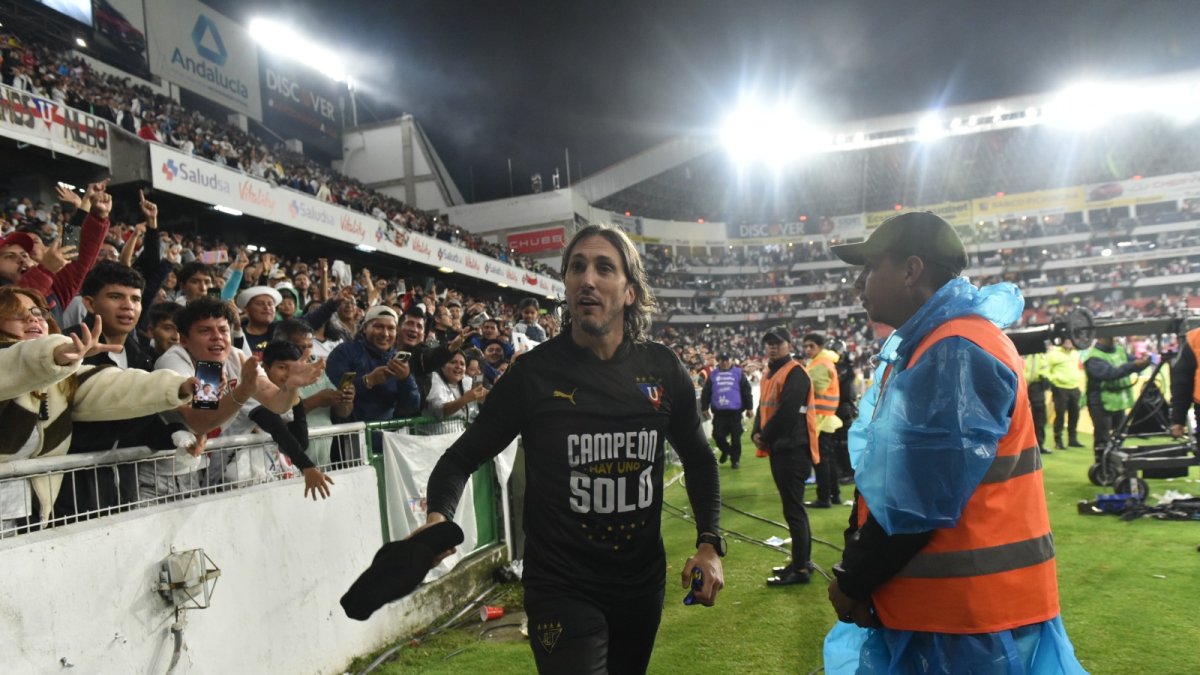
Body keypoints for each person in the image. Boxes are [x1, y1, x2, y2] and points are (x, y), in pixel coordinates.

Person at [421, 225, 723, 674]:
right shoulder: (533, 375)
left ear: (630, 292)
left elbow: (699, 459)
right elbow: (459, 458)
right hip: (561, 586)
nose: (588, 279)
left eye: (604, 268)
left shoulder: (662, 368)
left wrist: (709, 544)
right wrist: (438, 519)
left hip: (640, 584)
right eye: (577, 267)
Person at [823, 212, 1084, 674]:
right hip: (954, 614)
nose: (858, 285)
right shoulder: (937, 344)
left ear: (911, 270)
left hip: (967, 622)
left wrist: (856, 580)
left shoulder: (955, 349)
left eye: (869, 268)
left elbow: (916, 502)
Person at [0, 286, 194, 525]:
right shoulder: (18, 363)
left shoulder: (62, 379)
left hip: (24, 518)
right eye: (18, 313)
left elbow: (116, 386)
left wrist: (181, 386)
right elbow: (13, 361)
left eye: (38, 313)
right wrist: (58, 352)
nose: (33, 318)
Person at [752, 325, 820, 586]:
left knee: (794, 510)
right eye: (769, 342)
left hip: (792, 450)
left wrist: (764, 436)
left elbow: (787, 411)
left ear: (789, 345)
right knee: (794, 510)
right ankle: (801, 562)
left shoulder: (795, 373)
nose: (772, 346)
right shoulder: (772, 373)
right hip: (781, 449)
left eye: (777, 342)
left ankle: (801, 569)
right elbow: (764, 407)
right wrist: (757, 432)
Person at [325, 305, 420, 424]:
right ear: (365, 328)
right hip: (350, 435)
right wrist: (368, 381)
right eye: (378, 326)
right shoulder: (345, 352)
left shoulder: (399, 362)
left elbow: (411, 407)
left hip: (386, 436)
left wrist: (405, 379)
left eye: (391, 328)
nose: (385, 334)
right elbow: (335, 391)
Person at [1083, 336, 1150, 465]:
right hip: (1101, 402)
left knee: (1121, 434)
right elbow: (1110, 374)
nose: (1114, 339)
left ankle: (1114, 462)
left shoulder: (1119, 350)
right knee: (1103, 436)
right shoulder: (1093, 357)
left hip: (1118, 402)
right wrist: (1133, 365)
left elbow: (1132, 363)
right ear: (1101, 337)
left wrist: (1143, 362)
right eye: (1110, 337)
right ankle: (1102, 466)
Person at [802, 332, 844, 507]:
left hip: (820, 418)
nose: (807, 349)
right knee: (827, 460)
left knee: (820, 460)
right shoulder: (823, 361)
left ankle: (824, 497)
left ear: (820, 347)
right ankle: (834, 495)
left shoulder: (820, 363)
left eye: (811, 346)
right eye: (805, 346)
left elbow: (816, 387)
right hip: (825, 418)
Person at [699, 352, 753, 469]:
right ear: (719, 361)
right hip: (719, 413)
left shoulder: (738, 373)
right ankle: (727, 450)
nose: (724, 362)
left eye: (726, 360)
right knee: (717, 436)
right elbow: (706, 392)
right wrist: (704, 407)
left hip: (735, 413)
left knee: (736, 438)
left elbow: (746, 391)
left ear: (730, 360)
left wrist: (749, 408)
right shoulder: (713, 375)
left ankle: (735, 460)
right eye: (722, 360)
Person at [422, 350, 490, 434]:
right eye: (453, 362)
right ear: (442, 365)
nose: (458, 366)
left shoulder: (466, 380)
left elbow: (484, 395)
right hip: (433, 440)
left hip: (457, 437)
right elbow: (439, 410)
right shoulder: (434, 379)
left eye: (462, 364)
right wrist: (464, 400)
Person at [1046, 338, 1084, 449]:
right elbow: (1047, 369)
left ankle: (1073, 439)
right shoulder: (1053, 354)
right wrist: (1054, 380)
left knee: (1075, 415)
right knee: (1060, 416)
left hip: (1074, 387)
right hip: (1060, 388)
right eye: (1068, 340)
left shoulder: (1075, 353)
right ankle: (1058, 441)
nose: (1070, 342)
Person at [1170, 327, 1200, 443]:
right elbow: (1182, 382)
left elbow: (1182, 382)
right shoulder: (1196, 339)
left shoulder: (1196, 338)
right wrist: (1178, 419)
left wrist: (1178, 419)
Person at [1024, 351, 1052, 453]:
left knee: (1038, 417)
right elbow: (1032, 374)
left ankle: (1037, 444)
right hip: (1034, 388)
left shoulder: (1039, 355)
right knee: (1038, 417)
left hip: (1036, 387)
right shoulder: (1035, 354)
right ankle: (1036, 445)